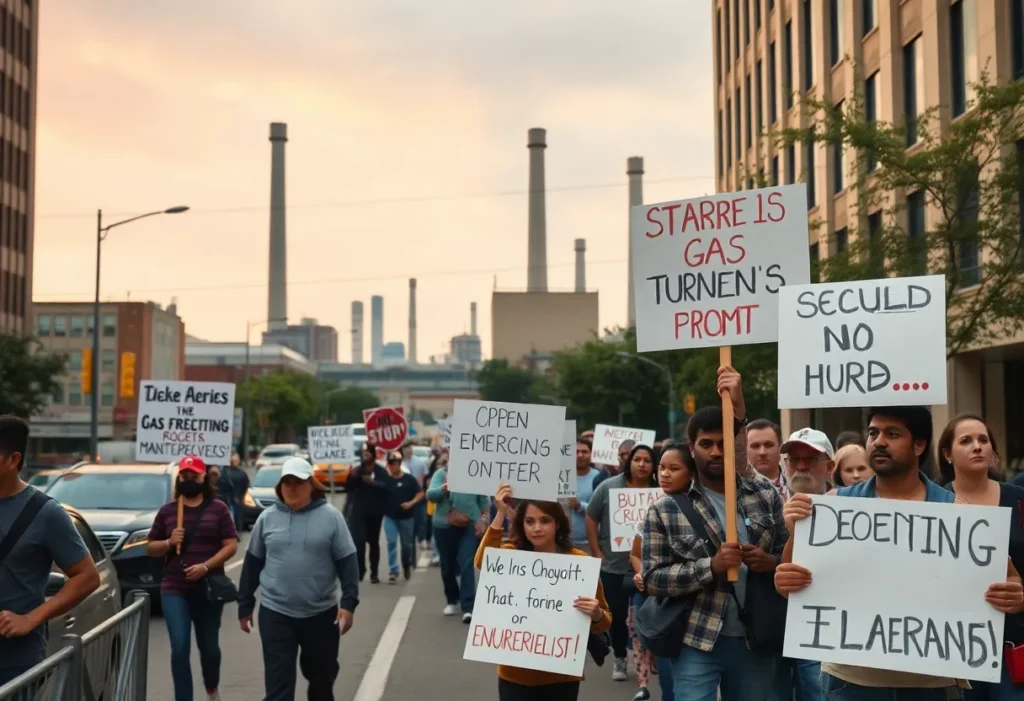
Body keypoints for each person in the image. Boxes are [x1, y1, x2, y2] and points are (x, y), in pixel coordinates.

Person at [776, 406, 1024, 699]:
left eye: (892, 434)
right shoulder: (834, 507)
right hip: (853, 682)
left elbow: (1012, 583)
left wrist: (1014, 596)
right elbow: (789, 583)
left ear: (919, 445)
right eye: (873, 433)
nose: (879, 441)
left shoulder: (958, 513)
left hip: (933, 685)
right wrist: (785, 576)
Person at [642, 366, 786, 701]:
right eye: (707, 444)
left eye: (723, 442)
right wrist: (712, 566)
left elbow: (790, 560)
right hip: (697, 640)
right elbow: (651, 578)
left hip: (756, 639)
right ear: (692, 449)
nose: (716, 452)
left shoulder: (764, 494)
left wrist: (770, 562)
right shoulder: (666, 509)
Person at [476, 482, 611, 701]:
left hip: (561, 676)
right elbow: (483, 560)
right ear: (522, 524)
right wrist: (501, 512)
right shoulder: (511, 555)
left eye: (544, 521)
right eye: (530, 521)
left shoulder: (578, 562)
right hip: (514, 675)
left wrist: (596, 613)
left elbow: (605, 621)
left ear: (557, 524)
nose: (536, 528)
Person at [238, 457, 359, 701]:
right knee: (278, 686)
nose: (292, 488)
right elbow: (252, 564)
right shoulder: (267, 519)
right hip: (276, 612)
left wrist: (348, 604)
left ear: (311, 485)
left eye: (299, 482)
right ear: (280, 487)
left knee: (322, 681)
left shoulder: (331, 517)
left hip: (321, 614)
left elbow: (348, 562)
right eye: (287, 482)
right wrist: (245, 604)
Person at [0, 415, 100, 686]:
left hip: (14, 662)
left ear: (13, 460)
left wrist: (31, 618)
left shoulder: (45, 513)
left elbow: (88, 576)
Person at [939, 414, 1024, 700]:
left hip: (1013, 645)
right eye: (966, 441)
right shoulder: (932, 504)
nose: (977, 446)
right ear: (947, 454)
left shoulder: (1020, 500)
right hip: (951, 648)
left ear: (993, 451)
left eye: (983, 440)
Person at [147, 456, 238, 701]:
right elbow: (150, 547)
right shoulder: (168, 511)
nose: (189, 480)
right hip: (174, 588)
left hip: (208, 588)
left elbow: (231, 544)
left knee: (209, 649)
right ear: (179, 478)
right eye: (185, 476)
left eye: (194, 476)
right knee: (179, 647)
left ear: (203, 478)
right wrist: (168, 542)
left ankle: (211, 686)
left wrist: (206, 567)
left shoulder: (218, 509)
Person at [586, 443, 659, 682]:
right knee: (615, 614)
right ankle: (619, 656)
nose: (642, 464)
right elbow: (591, 516)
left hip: (649, 567)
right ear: (629, 462)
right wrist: (596, 550)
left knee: (650, 614)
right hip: (613, 565)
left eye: (647, 460)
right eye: (637, 459)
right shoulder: (608, 486)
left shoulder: (660, 490)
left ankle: (652, 658)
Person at [770, 429, 834, 701]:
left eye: (811, 459)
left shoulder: (854, 509)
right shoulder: (767, 504)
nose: (801, 466)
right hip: (770, 631)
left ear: (830, 466)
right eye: (794, 459)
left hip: (822, 631)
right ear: (784, 465)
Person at [426, 460, 490, 622]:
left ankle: (468, 606)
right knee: (447, 566)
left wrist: (482, 520)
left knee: (467, 563)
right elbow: (430, 494)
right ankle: (452, 600)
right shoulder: (441, 474)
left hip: (468, 526)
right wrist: (443, 489)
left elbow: (484, 501)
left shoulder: (475, 474)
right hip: (443, 527)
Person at [345, 442, 388, 583]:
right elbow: (348, 487)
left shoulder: (381, 471)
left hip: (375, 513)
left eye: (368, 453)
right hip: (358, 512)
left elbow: (387, 488)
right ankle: (360, 569)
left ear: (373, 455)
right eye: (363, 454)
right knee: (358, 542)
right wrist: (351, 476)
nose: (365, 456)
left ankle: (374, 573)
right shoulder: (357, 470)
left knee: (373, 542)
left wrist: (372, 483)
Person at [382, 451, 424, 583]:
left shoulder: (409, 479)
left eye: (394, 464)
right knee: (392, 542)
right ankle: (393, 570)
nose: (392, 466)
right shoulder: (386, 481)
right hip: (390, 518)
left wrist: (411, 503)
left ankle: (406, 565)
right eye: (390, 464)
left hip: (407, 518)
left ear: (399, 464)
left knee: (407, 545)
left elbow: (420, 493)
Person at [563, 439, 601, 552]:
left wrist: (580, 505)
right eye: (576, 452)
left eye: (584, 452)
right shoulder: (561, 477)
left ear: (591, 454)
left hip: (590, 544)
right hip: (564, 542)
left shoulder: (599, 477)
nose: (580, 455)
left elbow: (601, 511)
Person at [747, 419, 788, 501]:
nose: (762, 452)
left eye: (768, 445)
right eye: (755, 446)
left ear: (780, 447)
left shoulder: (797, 488)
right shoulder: (735, 491)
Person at [221, 453, 250, 529]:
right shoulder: (224, 472)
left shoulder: (241, 473)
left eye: (236, 460)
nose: (235, 461)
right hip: (229, 499)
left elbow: (245, 486)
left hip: (236, 500)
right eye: (234, 460)